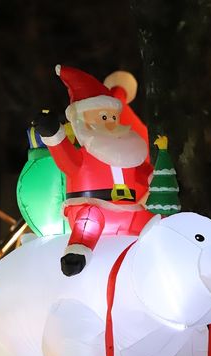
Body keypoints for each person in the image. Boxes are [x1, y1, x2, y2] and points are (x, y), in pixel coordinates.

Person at [36, 65, 154, 277]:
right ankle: (78, 252)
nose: (111, 124)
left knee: (153, 219)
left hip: (132, 210)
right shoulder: (84, 155)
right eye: (103, 117)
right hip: (94, 206)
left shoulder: (129, 153)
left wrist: (156, 179)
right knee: (89, 218)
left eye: (113, 118)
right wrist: (53, 133)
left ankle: (159, 252)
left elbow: (144, 172)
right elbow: (66, 159)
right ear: (81, 121)